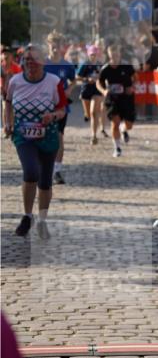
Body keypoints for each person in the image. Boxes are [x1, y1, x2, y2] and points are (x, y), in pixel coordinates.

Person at [4, 44, 68, 238]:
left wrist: (53, 116)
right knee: (31, 172)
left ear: (43, 62)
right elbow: (7, 102)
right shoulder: (15, 81)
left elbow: (62, 109)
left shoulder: (53, 81)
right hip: (23, 136)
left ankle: (42, 220)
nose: (30, 63)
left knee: (45, 182)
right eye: (27, 60)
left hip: (47, 136)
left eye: (34, 59)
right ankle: (26, 216)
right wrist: (7, 122)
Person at [43, 38, 76, 185]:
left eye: (58, 46)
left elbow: (74, 80)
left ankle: (56, 171)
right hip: (43, 107)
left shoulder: (66, 65)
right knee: (43, 137)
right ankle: (44, 168)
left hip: (61, 107)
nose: (56, 49)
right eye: (53, 46)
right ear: (48, 46)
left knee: (59, 138)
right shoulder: (42, 64)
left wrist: (69, 89)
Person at [97, 44, 135, 158]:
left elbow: (136, 77)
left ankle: (124, 130)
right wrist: (103, 91)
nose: (115, 57)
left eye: (117, 55)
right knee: (115, 122)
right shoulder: (106, 69)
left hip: (127, 99)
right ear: (109, 55)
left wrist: (132, 87)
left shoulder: (127, 66)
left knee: (129, 124)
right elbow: (98, 82)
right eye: (112, 55)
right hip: (112, 99)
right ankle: (117, 148)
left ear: (120, 54)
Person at [76, 44, 105, 144]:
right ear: (88, 55)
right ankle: (86, 114)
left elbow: (105, 77)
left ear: (97, 55)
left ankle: (93, 135)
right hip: (86, 90)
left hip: (97, 90)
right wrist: (87, 79)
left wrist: (99, 80)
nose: (93, 56)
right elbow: (77, 77)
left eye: (95, 54)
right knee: (88, 114)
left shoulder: (101, 65)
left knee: (94, 112)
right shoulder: (85, 64)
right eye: (91, 55)